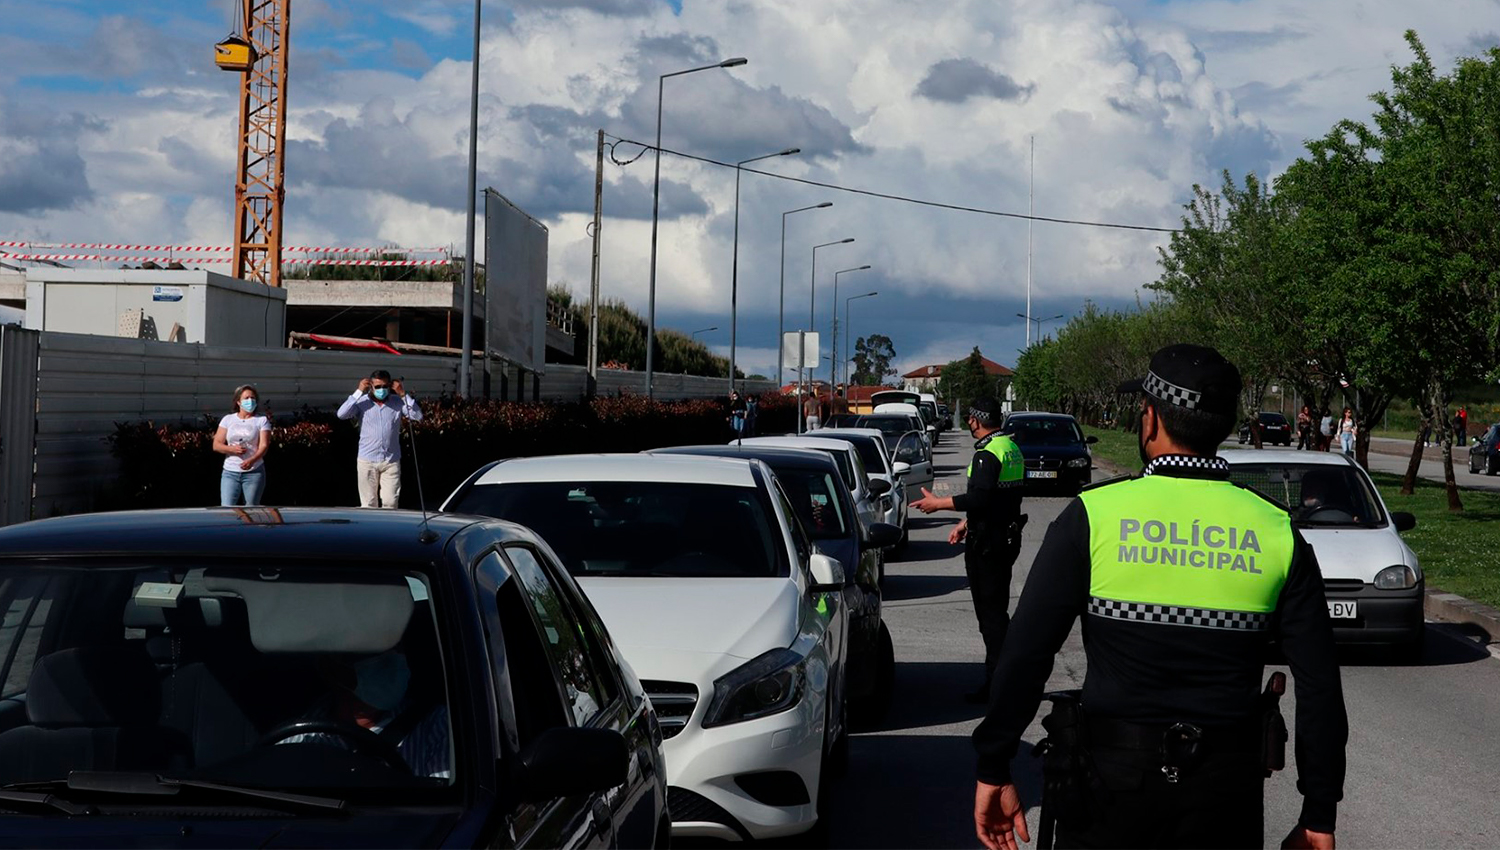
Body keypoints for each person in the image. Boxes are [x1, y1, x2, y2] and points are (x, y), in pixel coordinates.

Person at [971, 343, 1347, 850]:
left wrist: (995, 764)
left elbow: (1025, 653)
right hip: (1225, 799)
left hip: (1105, 792)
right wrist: (1318, 813)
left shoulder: (1094, 516)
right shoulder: (1276, 530)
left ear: (1150, 421)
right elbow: (1321, 684)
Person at [909, 396, 1025, 702]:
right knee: (997, 613)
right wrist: (966, 522)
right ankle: (1006, 680)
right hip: (1005, 537)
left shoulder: (988, 454)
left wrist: (938, 504)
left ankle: (999, 685)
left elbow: (980, 499)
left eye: (970, 420)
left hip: (988, 544)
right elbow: (1000, 501)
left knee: (991, 618)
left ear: (974, 420)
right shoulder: (1011, 448)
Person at [280, 649, 451, 779]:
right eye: (371, 650)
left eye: (397, 646)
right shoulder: (293, 741)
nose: (392, 657)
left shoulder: (439, 726)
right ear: (330, 667)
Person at [337, 370, 423, 508]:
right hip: (367, 461)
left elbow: (417, 416)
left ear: (390, 386)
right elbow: (342, 414)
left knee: (391, 502)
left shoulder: (397, 402)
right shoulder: (362, 402)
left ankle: (389, 528)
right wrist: (359, 391)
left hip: (390, 461)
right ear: (371, 386)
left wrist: (402, 394)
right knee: (368, 504)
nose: (381, 390)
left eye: (384, 386)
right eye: (377, 387)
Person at [214, 384, 270, 507]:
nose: (250, 401)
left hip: (254, 472)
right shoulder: (228, 420)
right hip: (230, 472)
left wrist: (252, 460)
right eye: (246, 398)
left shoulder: (261, 420)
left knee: (251, 508)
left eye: (252, 398)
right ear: (238, 402)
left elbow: (264, 446)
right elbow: (217, 444)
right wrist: (231, 449)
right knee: (227, 507)